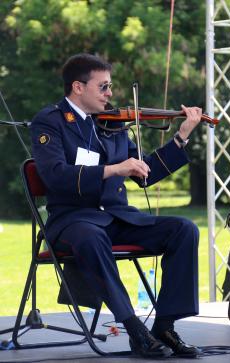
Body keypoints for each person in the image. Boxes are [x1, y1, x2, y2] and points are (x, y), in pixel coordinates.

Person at [31, 53, 202, 359]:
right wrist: (114, 169)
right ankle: (135, 329)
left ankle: (163, 326)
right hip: (72, 220)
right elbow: (56, 177)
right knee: (90, 237)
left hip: (116, 218)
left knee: (184, 229)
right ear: (78, 87)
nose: (110, 93)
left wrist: (182, 136)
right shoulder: (51, 121)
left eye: (110, 86)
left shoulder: (113, 122)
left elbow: (144, 172)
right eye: (104, 87)